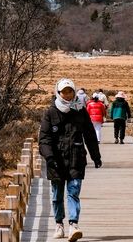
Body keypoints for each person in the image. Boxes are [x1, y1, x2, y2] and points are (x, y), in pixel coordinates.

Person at [39, 78, 102, 241]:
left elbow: (89, 134)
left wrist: (96, 156)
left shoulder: (80, 110)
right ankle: (59, 224)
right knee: (57, 196)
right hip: (56, 161)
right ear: (58, 93)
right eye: (64, 92)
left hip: (76, 158)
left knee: (73, 192)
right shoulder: (50, 112)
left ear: (74, 92)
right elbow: (44, 139)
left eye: (70, 91)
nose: (67, 95)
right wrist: (49, 157)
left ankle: (74, 225)